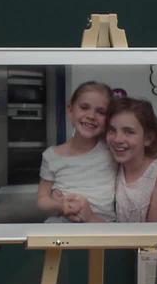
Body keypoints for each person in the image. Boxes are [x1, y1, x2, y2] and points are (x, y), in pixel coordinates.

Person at [36, 81, 116, 223]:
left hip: (100, 226)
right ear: (70, 110)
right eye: (84, 107)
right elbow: (42, 201)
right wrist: (61, 206)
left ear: (108, 119)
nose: (91, 115)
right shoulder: (51, 156)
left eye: (101, 112)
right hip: (61, 223)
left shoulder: (112, 149)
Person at [106, 97, 157, 222]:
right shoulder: (114, 164)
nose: (117, 139)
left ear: (148, 138)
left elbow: (152, 237)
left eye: (129, 132)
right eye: (112, 130)